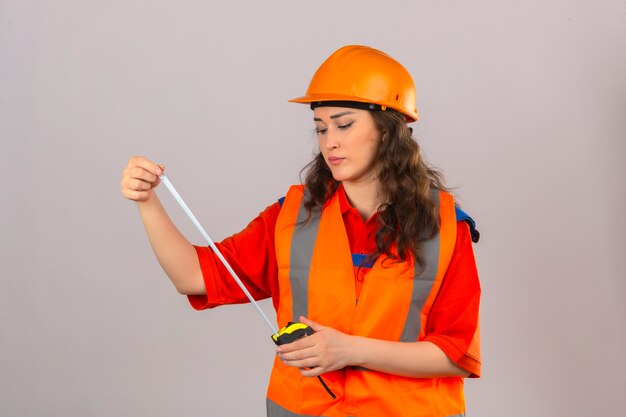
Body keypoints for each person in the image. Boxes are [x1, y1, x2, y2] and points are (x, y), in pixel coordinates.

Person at [121, 45, 481, 417]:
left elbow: (457, 354)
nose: (330, 142)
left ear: (389, 132)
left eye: (344, 125)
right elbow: (194, 275)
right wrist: (147, 202)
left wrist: (351, 351)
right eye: (321, 129)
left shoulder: (443, 228)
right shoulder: (291, 219)